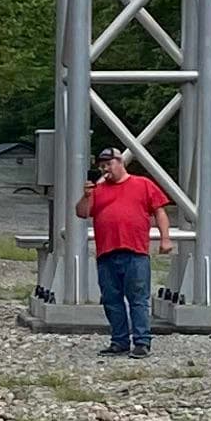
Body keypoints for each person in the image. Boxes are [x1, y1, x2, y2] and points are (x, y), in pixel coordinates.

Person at [78, 145, 169, 357]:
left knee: (138, 298)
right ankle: (119, 340)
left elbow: (160, 211)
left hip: (135, 251)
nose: (105, 169)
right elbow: (82, 213)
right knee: (111, 299)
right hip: (106, 252)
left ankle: (141, 341)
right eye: (102, 166)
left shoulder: (143, 184)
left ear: (121, 162)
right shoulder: (97, 191)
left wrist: (165, 238)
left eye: (108, 164)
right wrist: (86, 195)